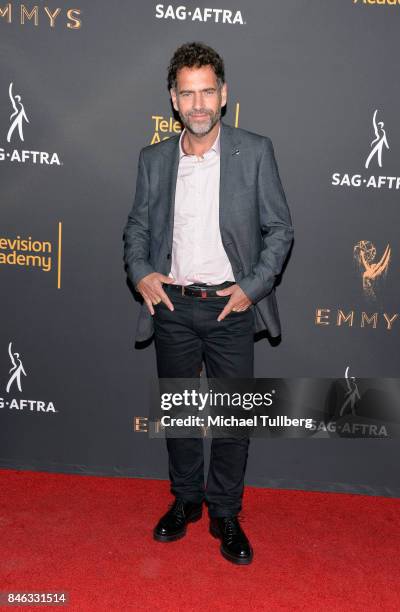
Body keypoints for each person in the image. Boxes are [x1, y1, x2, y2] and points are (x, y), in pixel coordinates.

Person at [123, 42, 294, 565]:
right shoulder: (153, 159)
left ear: (224, 95)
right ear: (173, 100)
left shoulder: (255, 150)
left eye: (207, 92)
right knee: (177, 415)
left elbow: (280, 229)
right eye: (187, 93)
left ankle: (225, 511)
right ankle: (186, 501)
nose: (198, 104)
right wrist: (141, 272)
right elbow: (137, 228)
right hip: (173, 305)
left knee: (231, 422)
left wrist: (253, 286)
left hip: (230, 309)